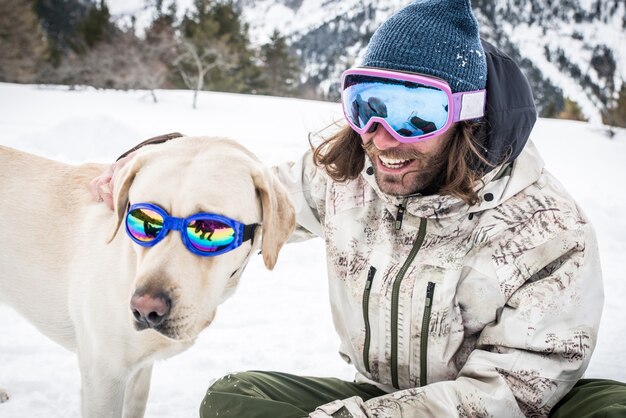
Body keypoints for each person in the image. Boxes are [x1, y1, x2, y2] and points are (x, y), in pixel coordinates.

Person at [91, 0, 626, 416]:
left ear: (466, 118)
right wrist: (161, 163)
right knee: (236, 399)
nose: (384, 138)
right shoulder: (345, 179)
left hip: (500, 412)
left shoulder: (548, 230)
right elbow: (246, 203)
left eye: (418, 114)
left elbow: (518, 389)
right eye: (368, 107)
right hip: (372, 398)